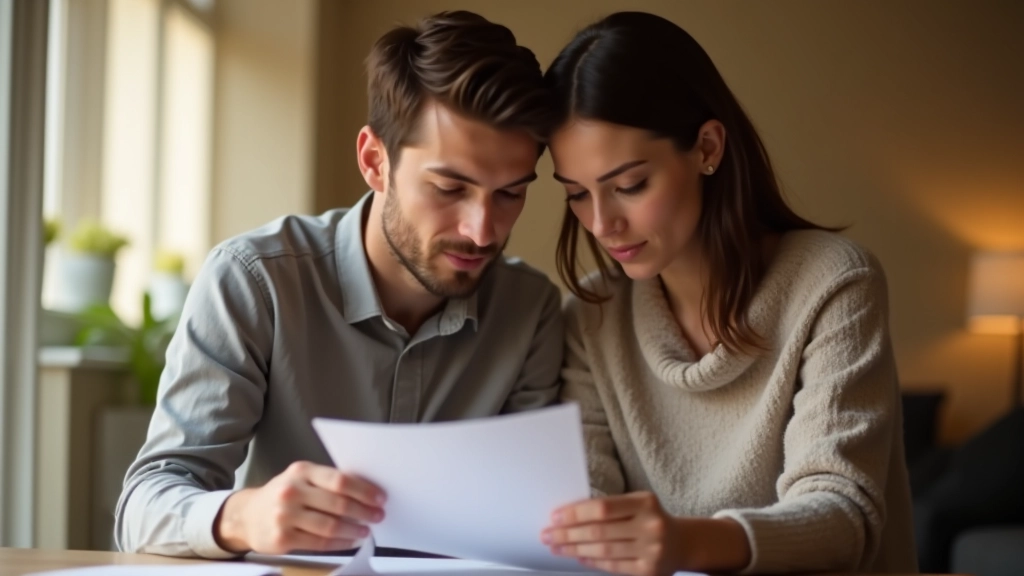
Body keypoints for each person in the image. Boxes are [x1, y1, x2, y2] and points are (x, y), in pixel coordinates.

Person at [116, 10, 563, 558]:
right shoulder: (255, 281)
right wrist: (244, 517)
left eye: (511, 193)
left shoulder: (531, 310)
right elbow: (144, 507)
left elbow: (531, 517)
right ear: (375, 161)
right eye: (450, 188)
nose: (482, 231)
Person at [538, 12, 917, 576]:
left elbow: (844, 517)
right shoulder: (592, 316)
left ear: (707, 147)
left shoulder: (834, 282)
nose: (601, 224)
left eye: (629, 185)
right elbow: (582, 505)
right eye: (576, 194)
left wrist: (684, 542)